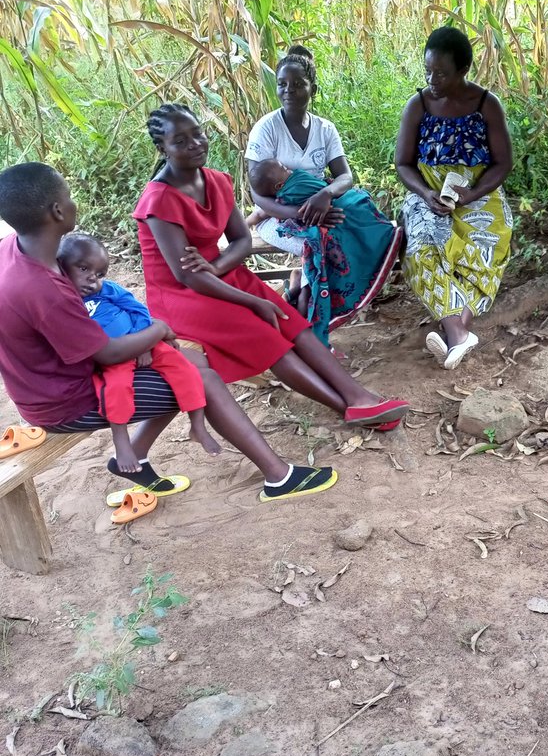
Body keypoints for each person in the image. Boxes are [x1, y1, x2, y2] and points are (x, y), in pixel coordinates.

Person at [0, 163, 337, 503]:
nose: (73, 203)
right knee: (201, 377)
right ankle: (278, 477)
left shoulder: (14, 249)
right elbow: (108, 354)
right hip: (66, 401)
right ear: (57, 211)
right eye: (69, 197)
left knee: (187, 359)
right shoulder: (46, 290)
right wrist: (159, 329)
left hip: (47, 379)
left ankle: (135, 451)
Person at [134, 102, 408, 433]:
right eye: (180, 140)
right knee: (266, 334)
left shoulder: (217, 181)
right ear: (161, 148)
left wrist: (214, 265)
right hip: (183, 297)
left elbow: (242, 241)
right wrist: (250, 299)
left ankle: (357, 395)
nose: (195, 144)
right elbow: (186, 277)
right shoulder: (159, 200)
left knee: (292, 323)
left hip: (219, 274)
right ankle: (347, 407)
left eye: (198, 133)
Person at [246, 45, 403, 347]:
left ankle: (305, 298)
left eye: (297, 84)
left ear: (312, 88)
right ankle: (310, 316)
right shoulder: (266, 130)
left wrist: (326, 196)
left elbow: (345, 176)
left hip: (322, 207)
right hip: (279, 216)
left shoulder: (325, 129)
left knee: (359, 220)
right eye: (282, 84)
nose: (288, 90)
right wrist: (299, 213)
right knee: (318, 244)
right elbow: (259, 193)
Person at [395, 26, 514, 370]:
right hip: (427, 192)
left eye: (442, 73)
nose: (433, 79)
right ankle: (458, 332)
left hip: (478, 192)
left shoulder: (485, 105)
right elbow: (403, 164)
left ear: (464, 70)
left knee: (487, 247)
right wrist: (426, 193)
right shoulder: (417, 106)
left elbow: (503, 163)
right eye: (428, 70)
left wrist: (474, 194)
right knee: (419, 249)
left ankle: (454, 331)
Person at [57, 232, 220, 473]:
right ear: (61, 267)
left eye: (99, 274)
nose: (92, 279)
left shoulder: (107, 290)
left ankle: (197, 425)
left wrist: (144, 343)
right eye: (83, 269)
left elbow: (138, 310)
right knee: (116, 388)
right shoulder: (61, 302)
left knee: (184, 369)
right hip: (112, 358)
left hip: (144, 342)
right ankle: (122, 442)